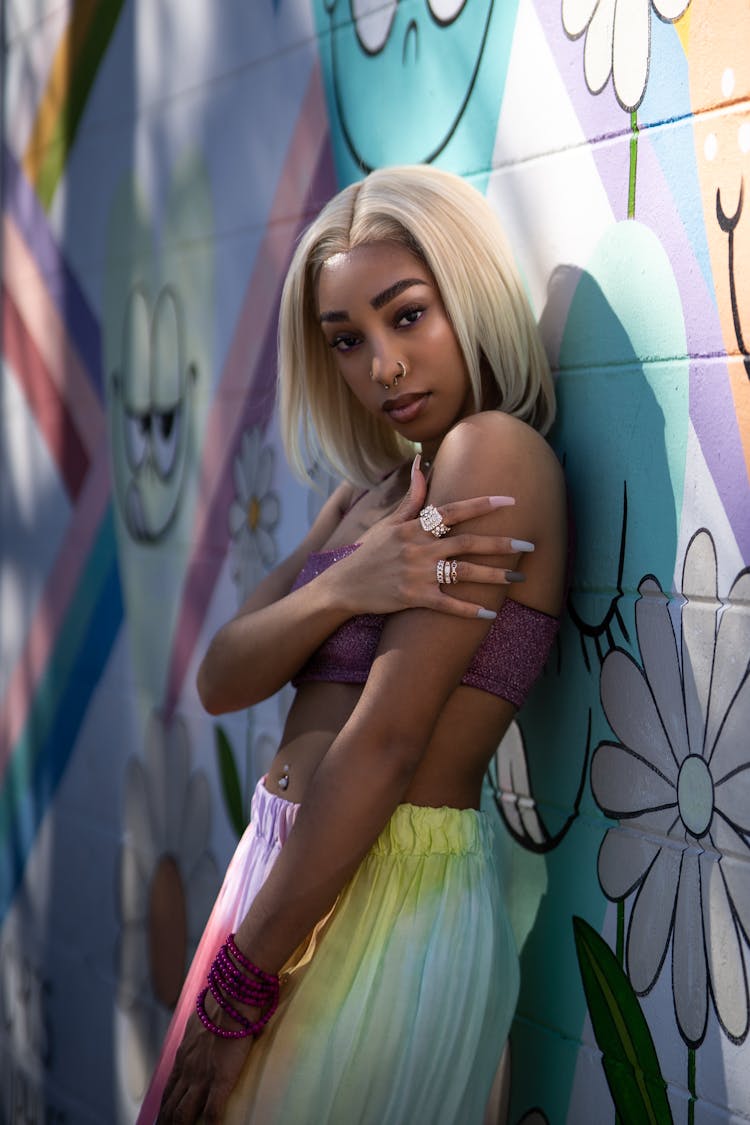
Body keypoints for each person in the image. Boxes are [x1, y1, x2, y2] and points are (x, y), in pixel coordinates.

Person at [141, 164, 567, 1124]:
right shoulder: (366, 498)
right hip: (285, 873)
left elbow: (386, 743)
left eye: (407, 315)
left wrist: (238, 989)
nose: (382, 366)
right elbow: (222, 673)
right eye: (347, 339)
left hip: (386, 885)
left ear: (467, 296)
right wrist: (347, 582)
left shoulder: (491, 452)